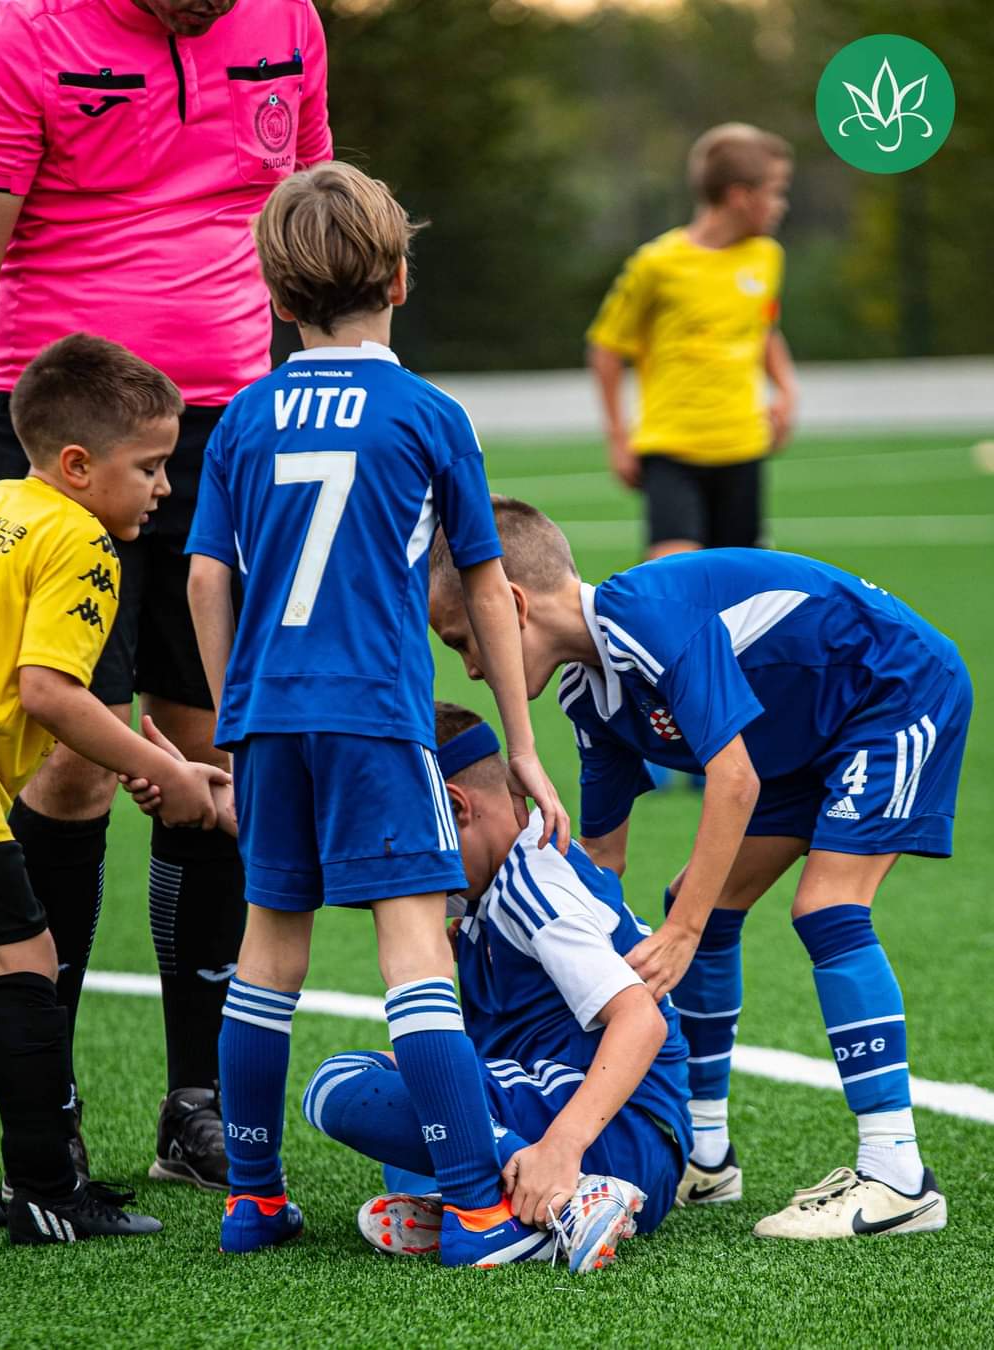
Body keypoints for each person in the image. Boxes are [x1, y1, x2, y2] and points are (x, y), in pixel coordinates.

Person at [0, 0, 334, 1189]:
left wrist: (329, 405)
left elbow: (309, 225)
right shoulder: (26, 35)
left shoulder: (288, 19)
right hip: (70, 450)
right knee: (75, 762)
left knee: (217, 750)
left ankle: (197, 1103)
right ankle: (46, 1106)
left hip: (233, 433)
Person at [175, 161, 568, 1264]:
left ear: (275, 296)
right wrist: (523, 747)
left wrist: (234, 721)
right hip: (378, 717)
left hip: (268, 718)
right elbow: (484, 584)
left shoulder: (243, 418)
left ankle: (253, 1201)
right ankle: (477, 1212)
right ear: (399, 280)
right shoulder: (430, 414)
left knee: (268, 954)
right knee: (414, 951)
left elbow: (206, 579)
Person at [429, 496, 972, 1240]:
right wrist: (504, 921)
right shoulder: (589, 696)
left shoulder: (646, 619)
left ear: (512, 606)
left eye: (465, 639)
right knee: (700, 901)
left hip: (893, 691)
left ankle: (897, 1175)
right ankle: (707, 1156)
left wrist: (680, 933)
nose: (468, 666)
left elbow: (735, 779)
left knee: (824, 907)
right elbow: (601, 862)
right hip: (802, 737)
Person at [0, 333, 235, 1244]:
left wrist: (146, 760)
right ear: (79, 466)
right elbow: (51, 694)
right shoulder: (82, 540)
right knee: (26, 964)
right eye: (150, 468)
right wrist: (164, 769)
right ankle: (51, 1190)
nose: (164, 489)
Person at [302, 701, 692, 1274]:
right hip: (593, 1121)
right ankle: (513, 1211)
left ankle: (565, 1195)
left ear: (457, 808)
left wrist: (561, 1148)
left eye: (409, 841)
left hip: (614, 1133)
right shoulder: (487, 887)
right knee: (414, 1085)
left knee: (338, 1085)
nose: (407, 865)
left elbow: (642, 1020)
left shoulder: (533, 885)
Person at [587, 123, 798, 560]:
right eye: (776, 192)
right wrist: (618, 438)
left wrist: (786, 390)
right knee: (674, 575)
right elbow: (606, 348)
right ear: (740, 196)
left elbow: (763, 330)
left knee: (739, 583)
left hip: (743, 446)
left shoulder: (767, 257)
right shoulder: (657, 265)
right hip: (672, 450)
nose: (782, 205)